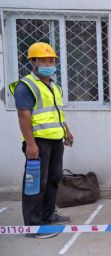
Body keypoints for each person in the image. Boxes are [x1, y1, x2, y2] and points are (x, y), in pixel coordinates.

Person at [9, 42, 73, 238]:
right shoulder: (25, 86)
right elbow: (24, 116)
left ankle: (47, 215)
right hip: (38, 142)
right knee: (36, 183)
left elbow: (57, 113)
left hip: (55, 140)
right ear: (33, 62)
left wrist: (66, 131)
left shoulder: (54, 86)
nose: (49, 63)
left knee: (54, 178)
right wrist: (30, 144)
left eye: (52, 60)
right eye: (44, 60)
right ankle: (33, 226)